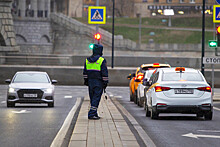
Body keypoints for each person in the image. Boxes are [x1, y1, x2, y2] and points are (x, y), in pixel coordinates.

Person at [83, 44, 108, 120]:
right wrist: (105, 82)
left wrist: (86, 81)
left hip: (90, 81)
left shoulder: (87, 60)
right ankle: (92, 113)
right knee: (96, 98)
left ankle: (95, 112)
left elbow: (85, 72)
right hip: (98, 82)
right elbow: (104, 72)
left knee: (92, 97)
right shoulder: (101, 60)